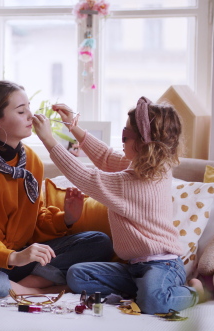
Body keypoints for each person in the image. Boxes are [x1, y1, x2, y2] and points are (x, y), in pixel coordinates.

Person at [0, 80, 114, 298]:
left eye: (29, 108)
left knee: (99, 241)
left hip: (20, 259)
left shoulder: (31, 160)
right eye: (21, 111)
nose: (30, 116)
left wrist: (66, 218)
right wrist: (13, 257)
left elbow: (34, 222)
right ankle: (31, 290)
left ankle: (20, 284)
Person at [31, 97, 205, 314]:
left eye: (126, 136)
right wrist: (73, 128)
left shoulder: (131, 183)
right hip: (134, 268)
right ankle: (141, 291)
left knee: (152, 303)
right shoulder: (154, 167)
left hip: (163, 265)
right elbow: (105, 157)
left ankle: (194, 293)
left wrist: (48, 139)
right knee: (77, 274)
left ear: (143, 144)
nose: (122, 141)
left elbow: (85, 176)